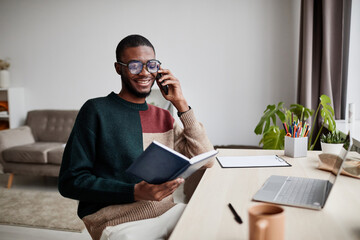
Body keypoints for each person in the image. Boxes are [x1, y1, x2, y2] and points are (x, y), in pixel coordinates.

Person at [58, 34, 214, 240]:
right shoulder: (96, 110)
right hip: (116, 220)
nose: (144, 72)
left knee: (214, 223)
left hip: (166, 212)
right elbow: (70, 182)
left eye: (151, 65)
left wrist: (182, 104)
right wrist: (134, 192)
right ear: (118, 68)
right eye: (134, 66)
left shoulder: (164, 117)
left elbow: (207, 159)